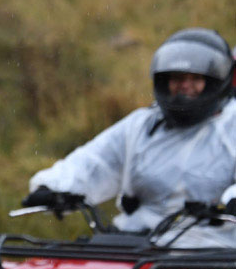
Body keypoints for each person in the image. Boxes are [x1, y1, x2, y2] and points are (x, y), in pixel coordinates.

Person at [24, 28, 236, 249]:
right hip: (135, 244)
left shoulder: (232, 125)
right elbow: (95, 161)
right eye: (177, 78)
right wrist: (52, 186)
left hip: (211, 252)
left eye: (195, 79)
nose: (184, 85)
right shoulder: (142, 125)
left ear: (215, 82)